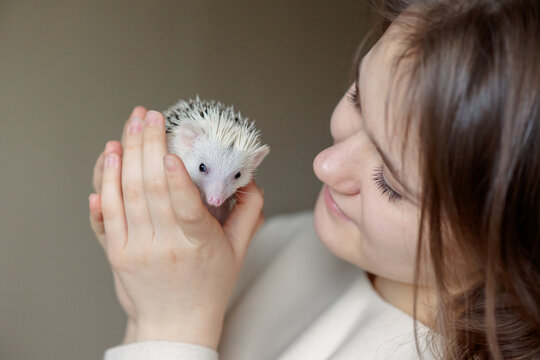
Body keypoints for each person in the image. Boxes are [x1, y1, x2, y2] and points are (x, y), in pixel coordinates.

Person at [88, 0, 540, 359]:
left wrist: (169, 328)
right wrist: (149, 298)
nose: (323, 164)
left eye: (391, 183)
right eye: (359, 99)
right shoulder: (291, 241)